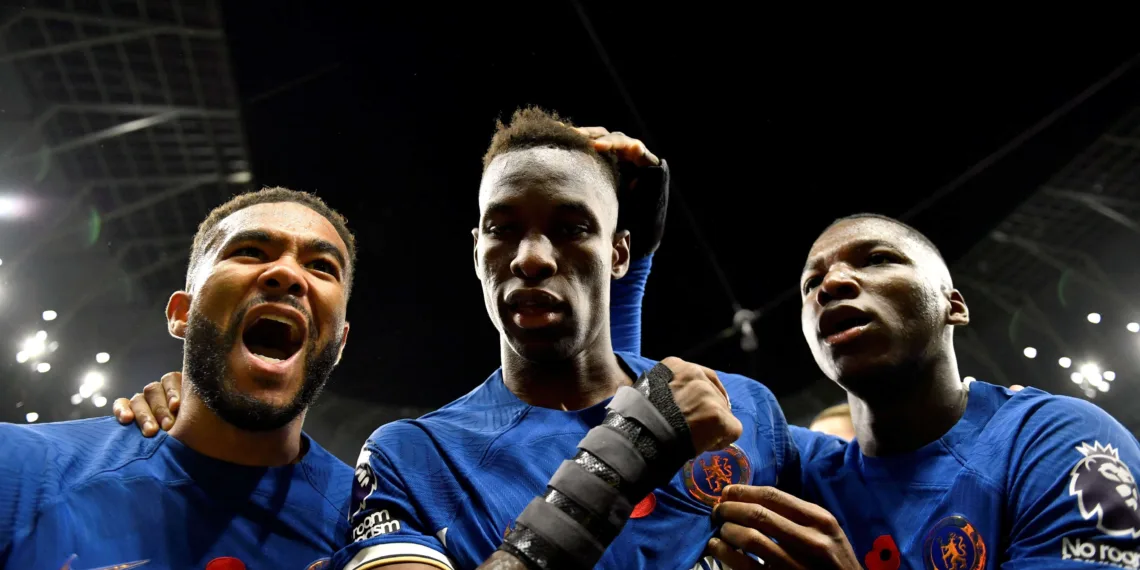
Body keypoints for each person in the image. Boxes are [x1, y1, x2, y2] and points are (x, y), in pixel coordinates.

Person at [114, 110, 823, 570]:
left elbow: (903, 474)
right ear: (476, 248)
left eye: (573, 227)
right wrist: (626, 454)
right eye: (503, 227)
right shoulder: (410, 459)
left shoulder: (745, 409)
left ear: (618, 253)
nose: (533, 257)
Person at [705, 213, 1140, 569]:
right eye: (811, 283)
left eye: (876, 259)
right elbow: (643, 398)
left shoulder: (1056, 441)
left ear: (954, 304)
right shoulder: (796, 465)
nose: (831, 285)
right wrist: (636, 255)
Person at [0, 188, 357, 568]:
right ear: (181, 313)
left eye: (321, 266)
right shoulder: (20, 468)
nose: (287, 273)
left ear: (339, 344)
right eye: (249, 252)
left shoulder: (376, 524)